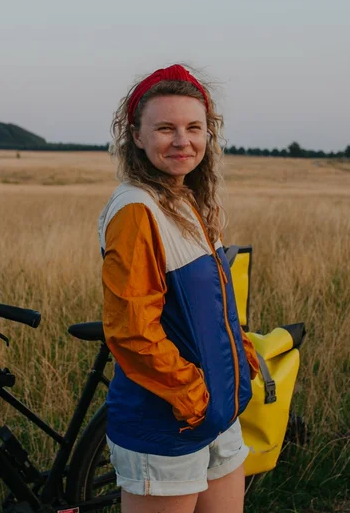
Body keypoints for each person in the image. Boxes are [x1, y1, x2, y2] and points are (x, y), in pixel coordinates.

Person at [98, 64, 260, 513]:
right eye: (165, 128)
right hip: (167, 422)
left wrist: (240, 362)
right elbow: (132, 331)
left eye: (194, 127)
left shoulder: (185, 199)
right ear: (136, 135)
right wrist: (196, 399)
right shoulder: (136, 209)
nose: (182, 140)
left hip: (217, 414)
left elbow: (216, 305)